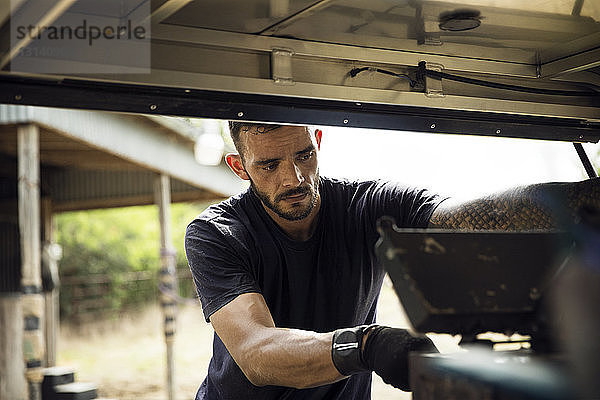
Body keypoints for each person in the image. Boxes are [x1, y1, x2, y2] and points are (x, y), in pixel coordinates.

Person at [185, 122, 599, 400]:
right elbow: (257, 353)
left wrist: (579, 204)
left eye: (304, 156)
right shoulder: (217, 233)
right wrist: (368, 345)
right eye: (270, 165)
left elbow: (461, 218)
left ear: (319, 142)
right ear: (240, 167)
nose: (293, 178)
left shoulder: (369, 206)